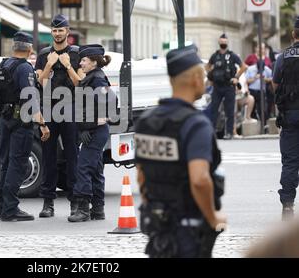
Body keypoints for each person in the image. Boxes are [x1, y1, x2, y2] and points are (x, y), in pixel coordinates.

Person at [135, 44, 227, 258]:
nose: (205, 80)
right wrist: (213, 218)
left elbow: (141, 176)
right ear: (196, 79)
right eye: (203, 76)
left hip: (158, 229)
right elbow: (199, 179)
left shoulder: (147, 121)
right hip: (188, 228)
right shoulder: (195, 124)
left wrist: (156, 209)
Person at [0, 32, 50, 222]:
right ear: (30, 49)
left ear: (13, 47)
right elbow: (31, 99)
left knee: (6, 163)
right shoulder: (24, 68)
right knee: (17, 164)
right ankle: (10, 209)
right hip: (21, 122)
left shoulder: (4, 65)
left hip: (5, 119)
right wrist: (42, 124)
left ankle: (3, 206)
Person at [35, 14, 84, 218]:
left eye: (60, 30)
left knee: (73, 156)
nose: (57, 34)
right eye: (54, 30)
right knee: (48, 156)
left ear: (67, 31)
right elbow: (39, 81)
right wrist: (48, 65)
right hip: (49, 107)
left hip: (70, 107)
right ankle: (48, 203)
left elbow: (79, 83)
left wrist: (67, 65)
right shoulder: (44, 54)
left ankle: (75, 202)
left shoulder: (76, 54)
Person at [68, 45, 116, 222]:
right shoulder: (92, 77)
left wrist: (92, 124)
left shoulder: (97, 79)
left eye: (83, 60)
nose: (80, 63)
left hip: (96, 131)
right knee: (95, 169)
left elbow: (111, 103)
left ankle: (83, 209)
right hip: (92, 130)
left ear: (94, 62)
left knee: (83, 167)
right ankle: (97, 209)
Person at [273, 16, 299, 221]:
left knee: (290, 161)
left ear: (293, 34)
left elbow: (275, 84)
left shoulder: (284, 56)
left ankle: (288, 206)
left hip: (290, 114)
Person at [206, 34, 247, 139]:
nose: (223, 43)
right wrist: (211, 75)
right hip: (217, 86)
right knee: (214, 109)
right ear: (219, 42)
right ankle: (212, 133)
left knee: (229, 111)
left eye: (225, 41)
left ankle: (229, 133)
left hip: (229, 86)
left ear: (227, 43)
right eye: (222, 41)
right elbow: (207, 66)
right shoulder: (215, 56)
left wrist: (236, 77)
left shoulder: (232, 55)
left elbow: (243, 66)